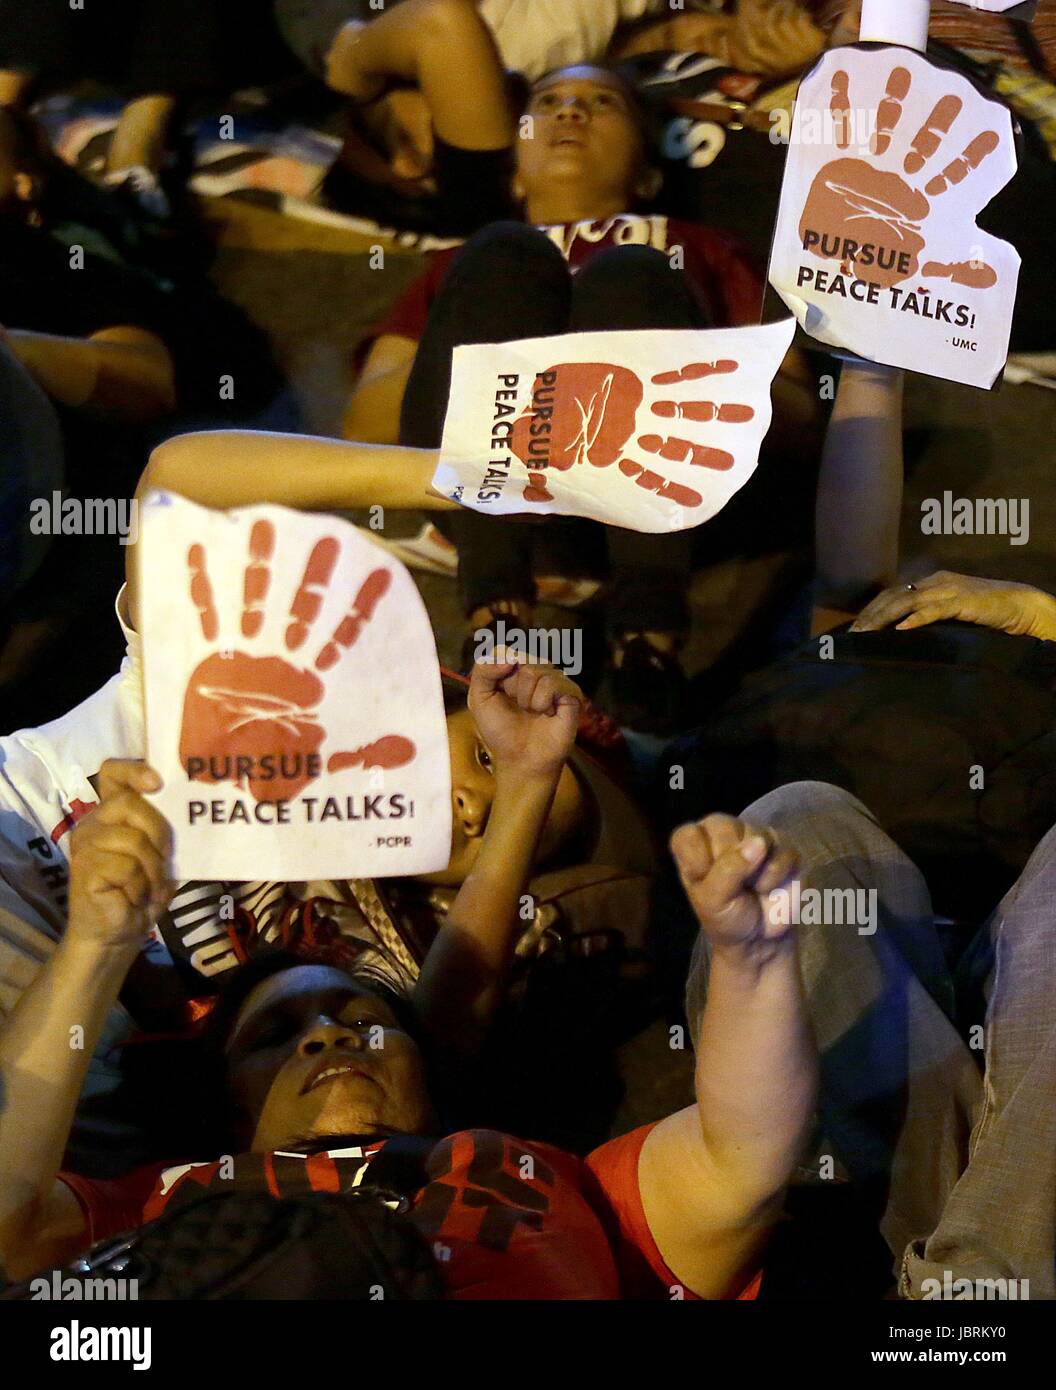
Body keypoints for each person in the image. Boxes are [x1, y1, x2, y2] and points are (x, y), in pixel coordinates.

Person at [0, 751, 814, 1298]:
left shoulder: (552, 1177)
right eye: (275, 1037)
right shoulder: (152, 1199)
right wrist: (96, 942)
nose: (329, 1036)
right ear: (228, 1107)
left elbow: (742, 1160)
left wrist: (754, 965)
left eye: (364, 1016)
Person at [345, 61, 820, 729]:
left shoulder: (702, 246)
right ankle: (497, 620)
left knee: (630, 271)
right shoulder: (461, 264)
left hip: (657, 486)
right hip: (495, 501)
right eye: (549, 102)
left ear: (650, 173)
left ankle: (647, 644)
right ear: (513, 166)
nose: (571, 113)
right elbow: (366, 421)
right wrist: (512, 355)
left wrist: (676, 356)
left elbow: (800, 414)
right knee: (505, 253)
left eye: (602, 102)